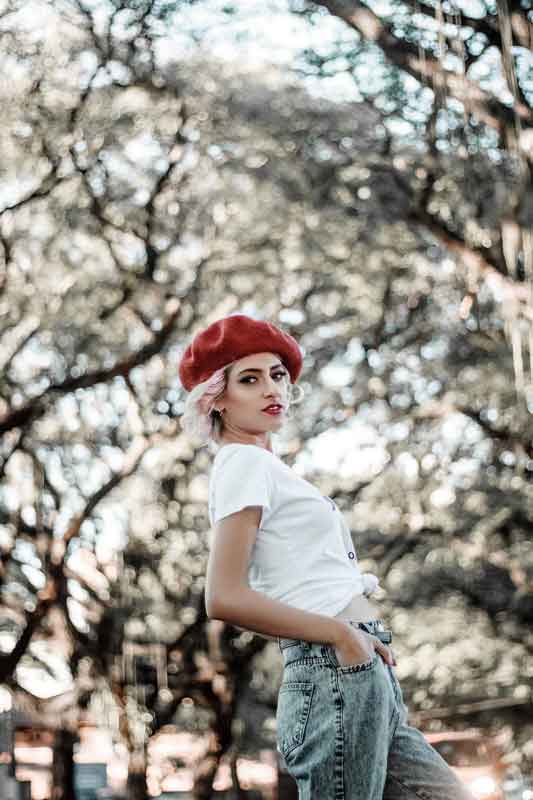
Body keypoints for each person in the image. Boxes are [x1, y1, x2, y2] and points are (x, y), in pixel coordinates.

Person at [178, 313, 476, 800]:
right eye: (248, 380)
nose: (271, 388)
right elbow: (224, 596)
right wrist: (341, 635)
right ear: (218, 398)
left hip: (360, 668)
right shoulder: (243, 463)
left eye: (277, 375)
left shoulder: (268, 467)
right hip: (334, 670)